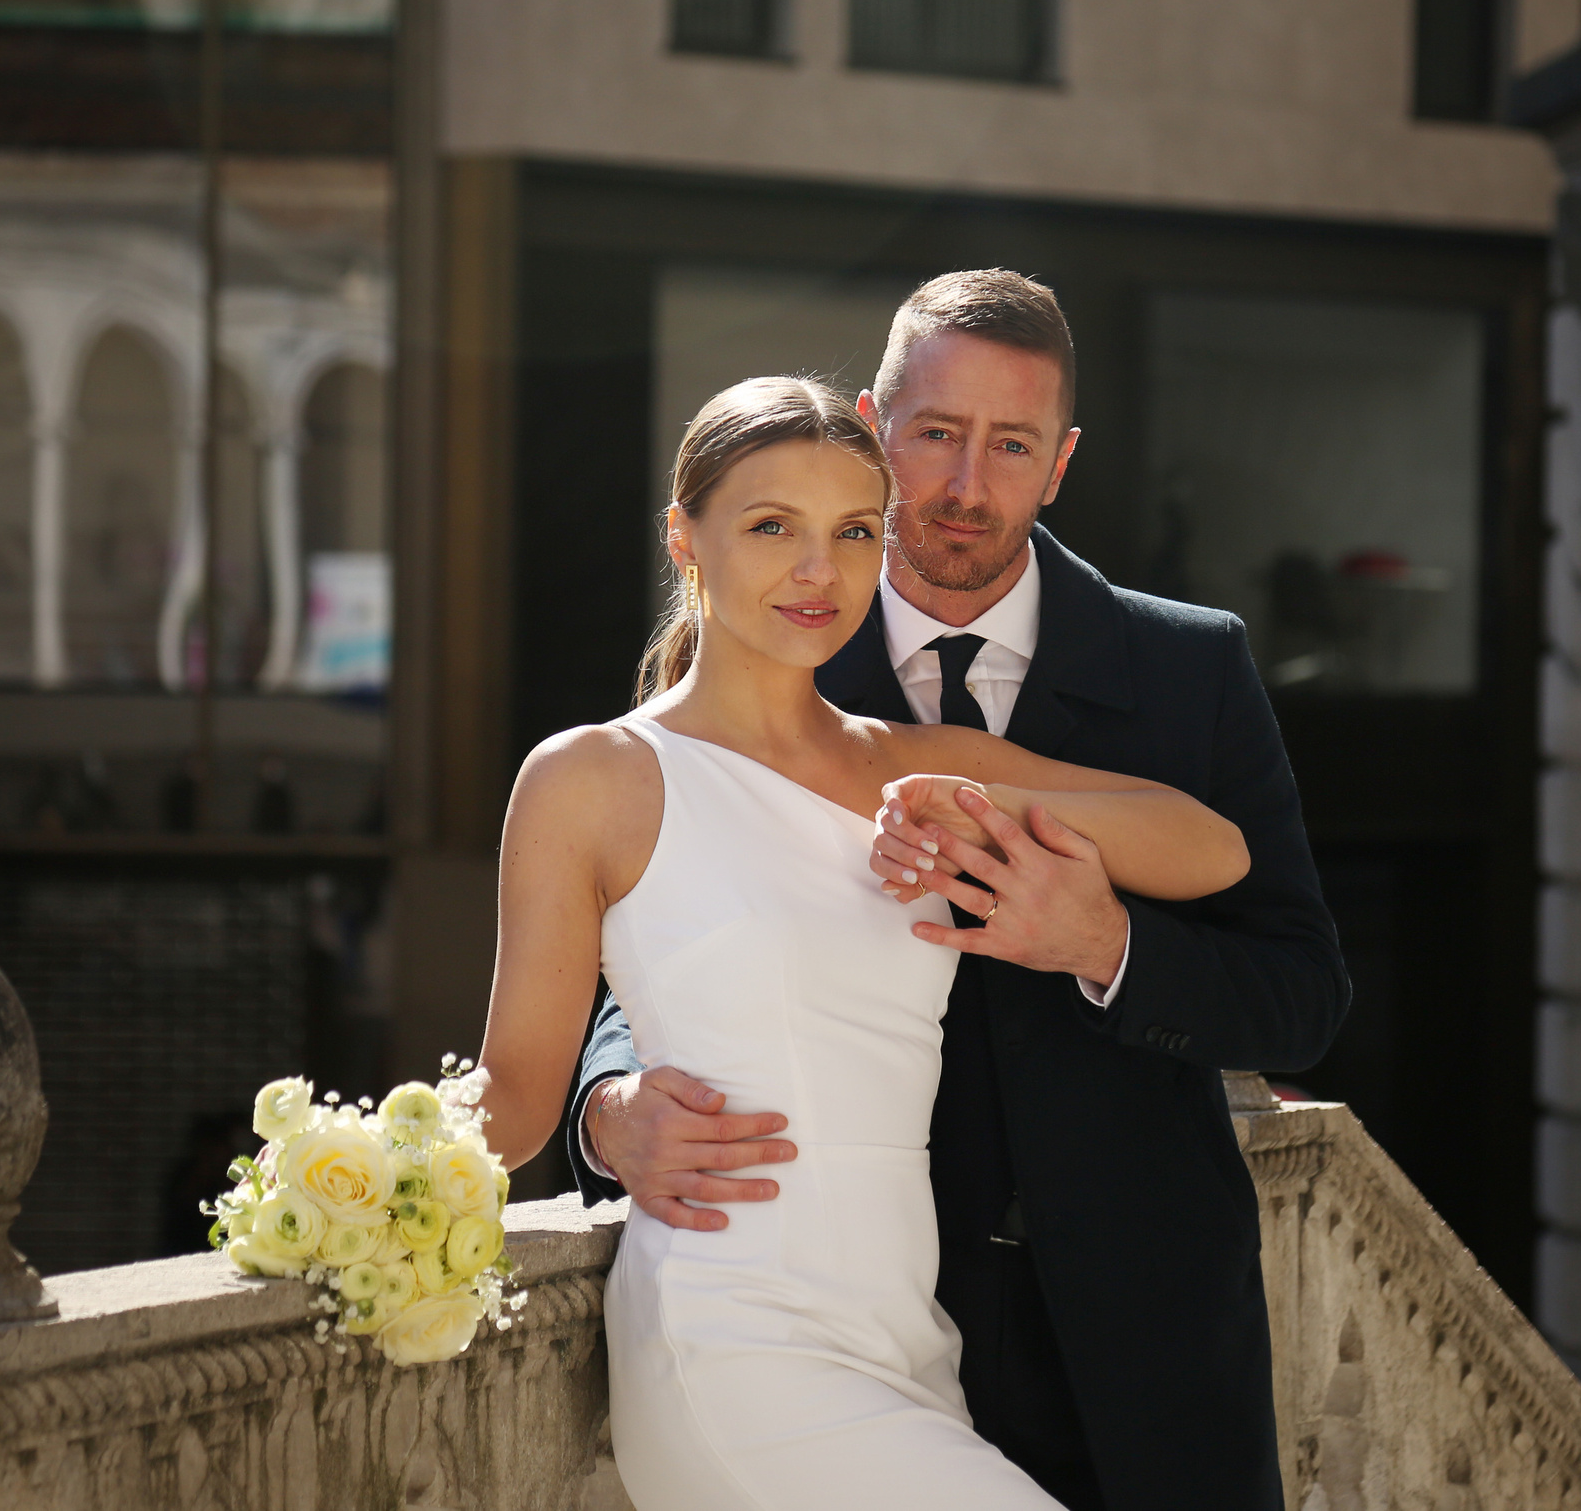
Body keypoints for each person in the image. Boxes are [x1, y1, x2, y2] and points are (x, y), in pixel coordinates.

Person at [571, 271, 1350, 1511]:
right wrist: (610, 1107)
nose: (964, 485)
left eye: (1011, 446)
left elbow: (1302, 993)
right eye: (934, 435)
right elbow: (662, 928)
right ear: (876, 427)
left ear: (1061, 463)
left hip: (1147, 1337)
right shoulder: (756, 640)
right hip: (861, 1326)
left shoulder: (1188, 669)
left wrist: (1108, 945)